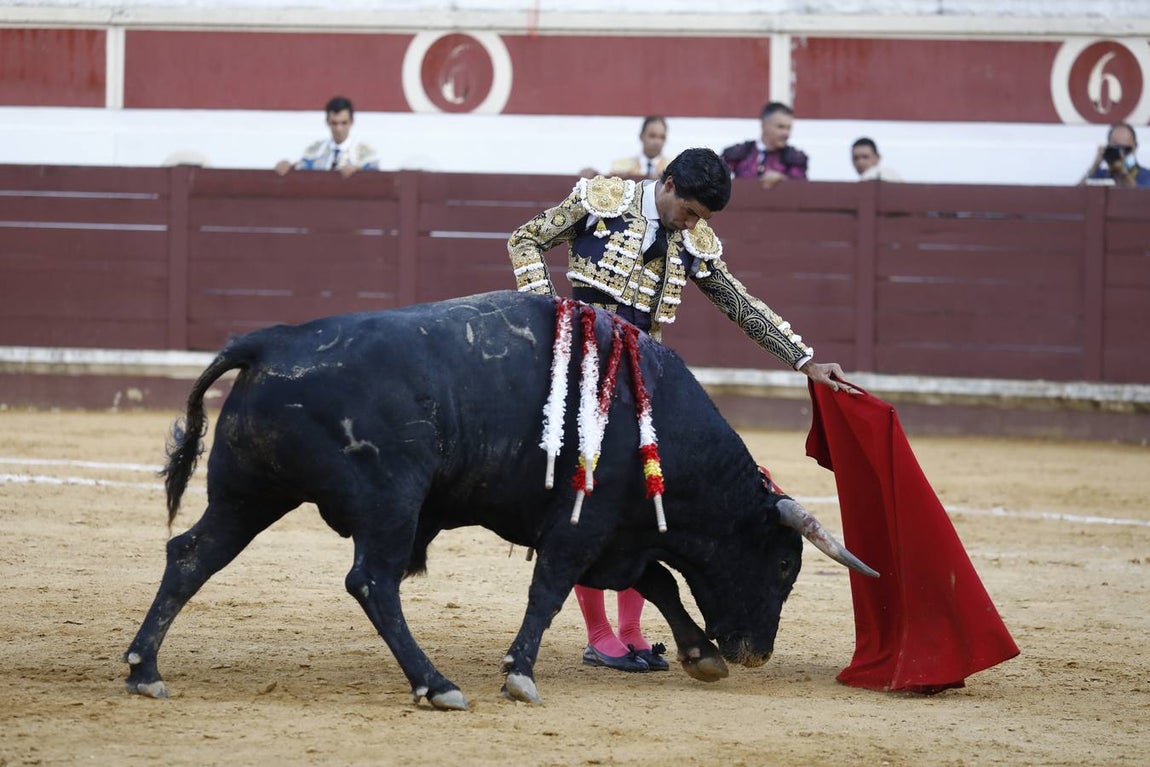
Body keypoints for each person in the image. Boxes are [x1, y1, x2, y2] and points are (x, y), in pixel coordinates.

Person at [507, 147, 849, 672]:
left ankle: (631, 630)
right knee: (585, 494)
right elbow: (525, 238)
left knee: (650, 498)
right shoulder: (603, 200)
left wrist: (803, 360)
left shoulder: (693, 239)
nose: (692, 224)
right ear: (666, 185)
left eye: (701, 219)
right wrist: (551, 314)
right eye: (688, 211)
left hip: (643, 379)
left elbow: (738, 302)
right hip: (580, 368)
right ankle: (600, 635)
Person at [275, 96, 380, 178]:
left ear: (352, 122)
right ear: (327, 122)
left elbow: (375, 174)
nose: (339, 129)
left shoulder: (366, 152)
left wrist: (358, 170)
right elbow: (303, 168)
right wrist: (289, 166)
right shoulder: (315, 150)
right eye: (334, 123)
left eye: (344, 123)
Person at [720, 102, 808, 189]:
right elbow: (717, 178)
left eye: (789, 128)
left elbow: (800, 189)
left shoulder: (795, 158)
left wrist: (783, 179)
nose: (786, 133)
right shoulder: (739, 152)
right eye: (780, 127)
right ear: (764, 124)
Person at [580, 116, 670, 181]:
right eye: (652, 136)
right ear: (641, 136)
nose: (657, 142)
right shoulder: (620, 165)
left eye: (662, 137)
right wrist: (595, 176)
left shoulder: (673, 167)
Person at [1079, 122, 1150, 188]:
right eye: (1117, 149)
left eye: (1126, 149)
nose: (1121, 154)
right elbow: (1075, 196)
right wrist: (1094, 167)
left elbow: (1142, 197)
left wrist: (1124, 174)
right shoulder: (1101, 175)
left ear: (1135, 148)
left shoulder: (1146, 176)